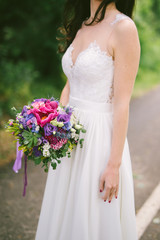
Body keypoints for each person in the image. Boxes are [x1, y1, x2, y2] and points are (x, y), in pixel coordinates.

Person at [35, 0, 140, 239]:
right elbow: (71, 84)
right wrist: (51, 124)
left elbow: (122, 103)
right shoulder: (83, 25)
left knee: (92, 215)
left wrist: (114, 166)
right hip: (70, 136)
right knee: (65, 212)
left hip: (99, 139)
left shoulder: (124, 28)